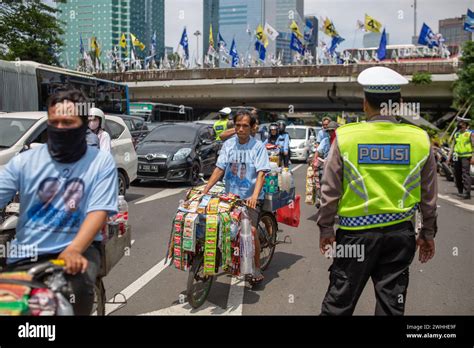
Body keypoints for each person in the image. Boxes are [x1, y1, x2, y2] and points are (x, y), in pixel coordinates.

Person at [317, 66, 438, 316]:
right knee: (391, 306)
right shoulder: (419, 139)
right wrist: (427, 233)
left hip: (354, 237)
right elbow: (429, 197)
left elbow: (329, 190)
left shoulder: (346, 137)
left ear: (365, 104)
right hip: (399, 235)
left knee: (338, 304)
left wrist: (326, 228)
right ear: (399, 104)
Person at [0, 89, 119, 315]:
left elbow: (99, 211)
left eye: (68, 122)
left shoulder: (100, 162)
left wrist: (74, 249)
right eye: (54, 122)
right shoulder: (24, 161)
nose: (60, 128)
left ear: (83, 124)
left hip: (79, 253)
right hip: (26, 254)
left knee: (65, 302)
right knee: (9, 308)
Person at [203, 110, 271, 284]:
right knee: (218, 225)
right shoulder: (228, 145)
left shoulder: (258, 147)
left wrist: (255, 196)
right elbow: (219, 168)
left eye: (245, 126)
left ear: (252, 127)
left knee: (251, 231)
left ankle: (256, 268)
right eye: (238, 125)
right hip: (230, 196)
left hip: (250, 196)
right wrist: (206, 189)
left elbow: (261, 173)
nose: (241, 129)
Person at [449, 118, 473, 199]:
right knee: (457, 173)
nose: (461, 125)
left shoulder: (470, 134)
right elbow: (453, 146)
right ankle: (460, 191)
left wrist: (473, 156)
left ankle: (467, 193)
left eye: (463, 124)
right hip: (456, 156)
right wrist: (449, 157)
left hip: (466, 156)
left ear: (466, 125)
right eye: (460, 124)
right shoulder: (456, 134)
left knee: (465, 174)